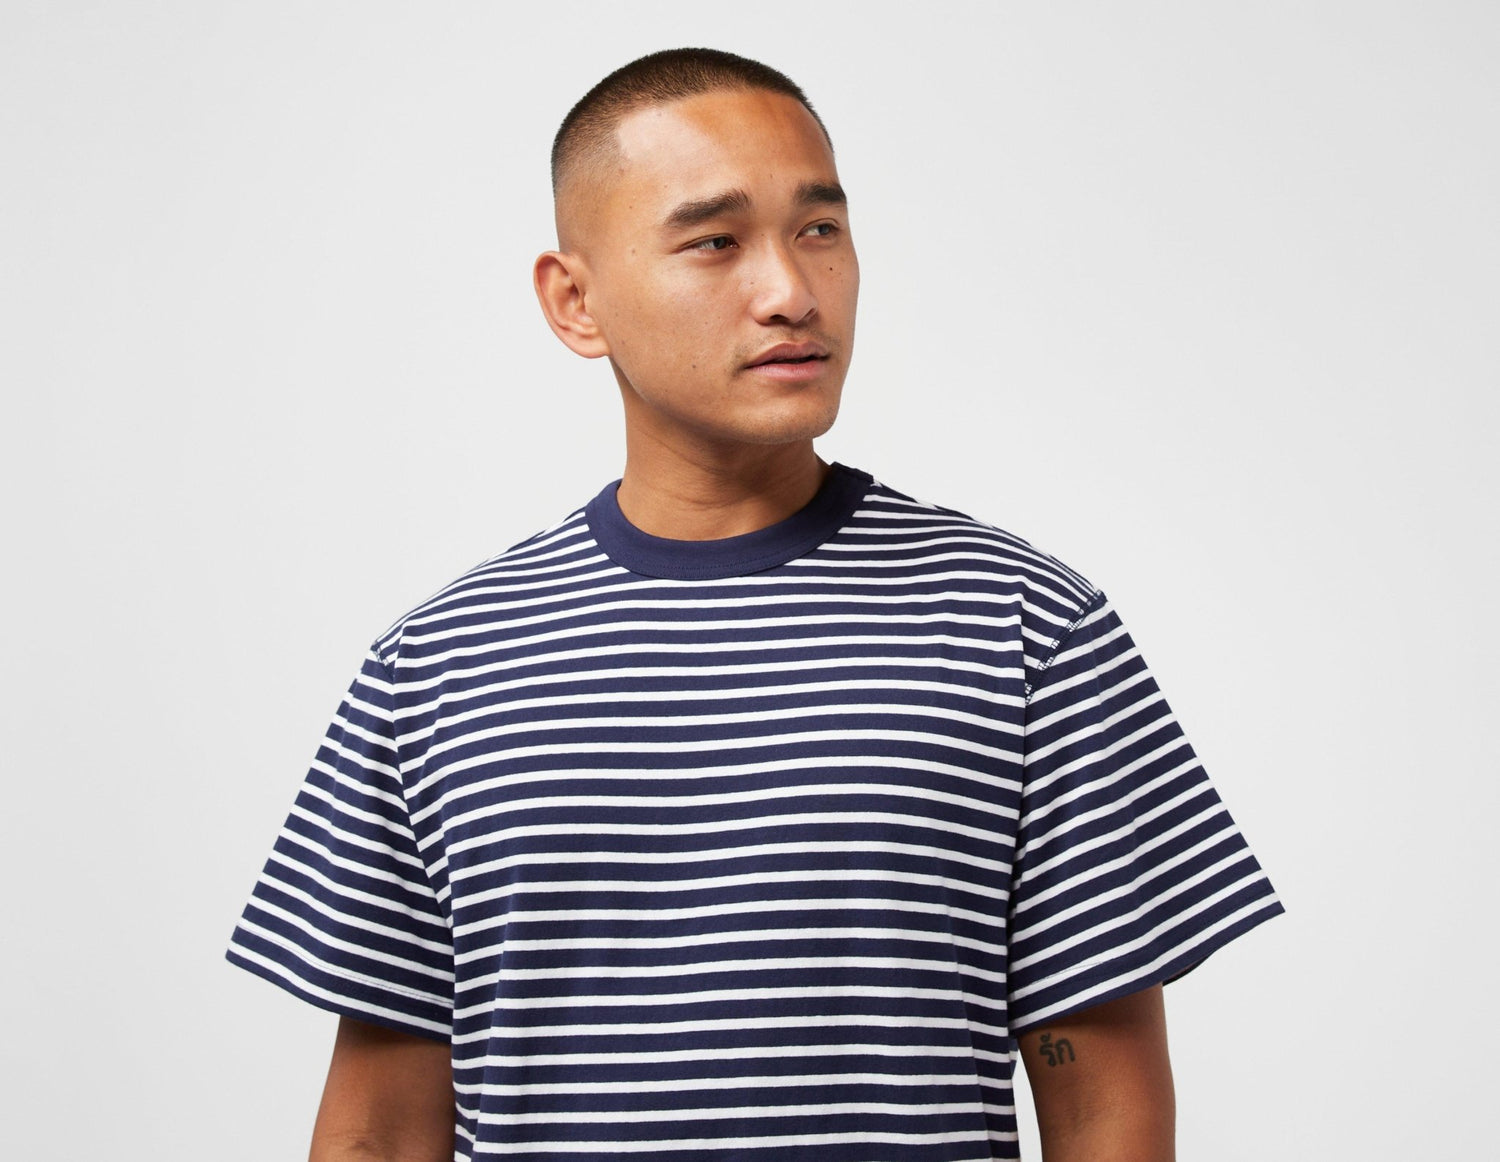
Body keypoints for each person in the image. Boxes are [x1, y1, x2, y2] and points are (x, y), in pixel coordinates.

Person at [227, 47, 1283, 1162]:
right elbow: (380, 1130)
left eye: (820, 229)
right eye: (715, 241)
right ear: (575, 302)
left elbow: (1106, 1108)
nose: (792, 291)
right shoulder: (438, 666)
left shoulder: (1025, 627)